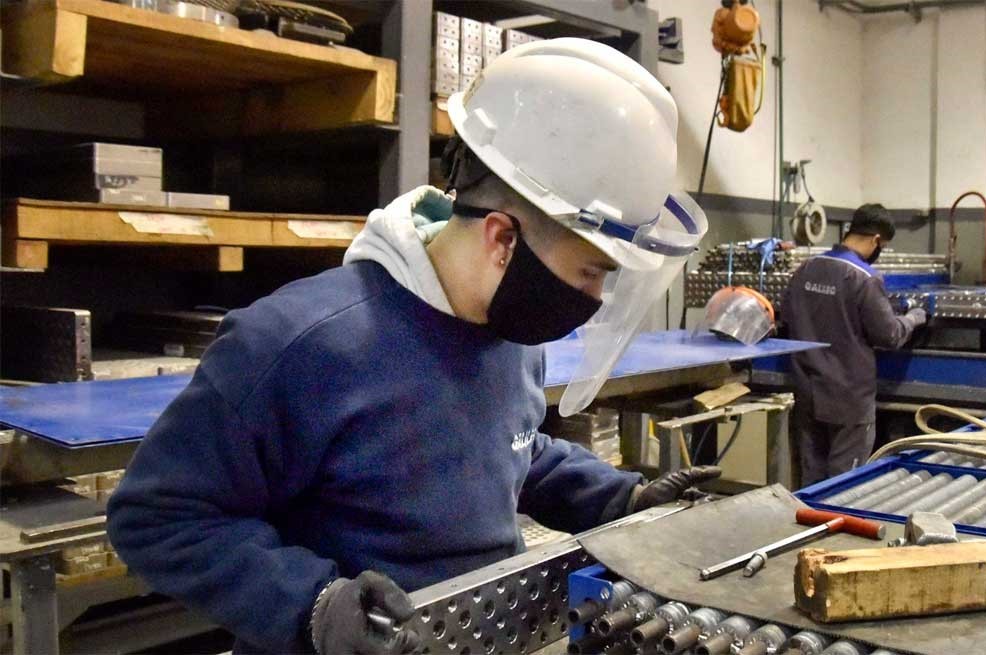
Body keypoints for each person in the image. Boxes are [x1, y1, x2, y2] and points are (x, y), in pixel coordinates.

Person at [106, 39, 719, 655]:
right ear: (503, 239)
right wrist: (314, 605)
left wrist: (621, 498)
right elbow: (157, 515)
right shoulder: (301, 345)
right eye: (590, 271)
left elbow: (509, 450)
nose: (594, 296)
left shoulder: (509, 333)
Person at [780, 204, 928, 485]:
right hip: (848, 400)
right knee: (844, 486)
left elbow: (786, 316)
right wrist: (914, 318)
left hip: (807, 392)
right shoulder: (864, 278)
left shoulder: (806, 268)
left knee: (812, 480)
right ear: (876, 240)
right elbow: (889, 335)